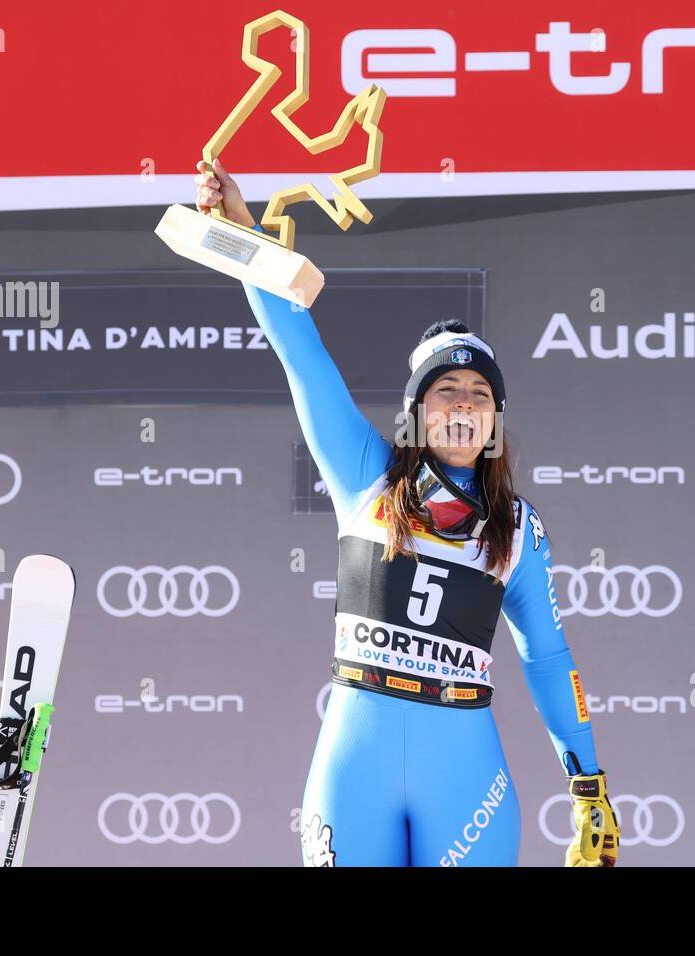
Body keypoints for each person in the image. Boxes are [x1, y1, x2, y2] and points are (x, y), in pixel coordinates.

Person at [196, 159, 620, 867]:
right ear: (416, 413)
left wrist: (588, 786)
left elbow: (549, 657)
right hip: (353, 766)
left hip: (465, 779)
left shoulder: (518, 532)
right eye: (444, 390)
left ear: (496, 420)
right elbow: (299, 349)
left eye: (478, 394)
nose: (461, 405)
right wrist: (241, 233)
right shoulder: (364, 476)